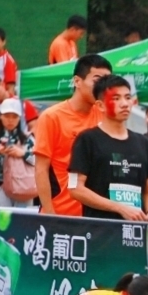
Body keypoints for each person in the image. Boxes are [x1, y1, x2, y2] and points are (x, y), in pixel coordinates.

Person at [64, 75, 148, 222]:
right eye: (116, 98)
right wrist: (120, 208)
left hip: (136, 232)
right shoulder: (87, 140)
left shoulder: (143, 142)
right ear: (100, 105)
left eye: (128, 97)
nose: (125, 104)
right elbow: (75, 188)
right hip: (101, 231)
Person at [35, 54, 113, 215]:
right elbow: (41, 169)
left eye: (107, 81)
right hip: (61, 212)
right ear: (77, 81)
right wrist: (48, 211)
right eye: (97, 80)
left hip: (98, 214)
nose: (103, 87)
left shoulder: (105, 115)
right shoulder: (52, 117)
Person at [0, 98, 37, 206]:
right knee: (1, 221)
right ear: (0, 116)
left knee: (23, 220)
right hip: (0, 186)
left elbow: (38, 162)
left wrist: (23, 154)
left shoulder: (27, 138)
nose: (10, 120)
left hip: (24, 186)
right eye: (7, 116)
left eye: (14, 117)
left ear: (19, 118)